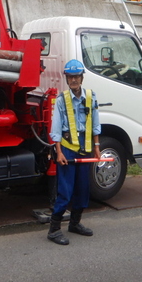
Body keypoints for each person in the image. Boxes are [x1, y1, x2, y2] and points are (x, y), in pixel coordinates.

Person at [47, 59, 101, 245]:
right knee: (65, 190)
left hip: (85, 151)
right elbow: (56, 129)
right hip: (68, 152)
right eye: (70, 77)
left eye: (77, 76)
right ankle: (54, 230)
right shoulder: (62, 100)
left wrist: (96, 147)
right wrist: (59, 152)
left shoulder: (91, 96)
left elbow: (95, 123)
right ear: (67, 79)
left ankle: (75, 224)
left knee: (82, 189)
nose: (74, 80)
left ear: (82, 77)